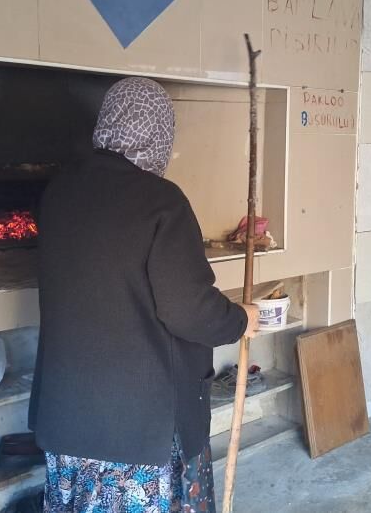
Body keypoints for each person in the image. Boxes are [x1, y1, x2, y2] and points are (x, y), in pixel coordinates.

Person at [29, 77, 260, 512]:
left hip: (67, 418)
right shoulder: (161, 202)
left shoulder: (58, 192)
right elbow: (189, 310)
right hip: (137, 431)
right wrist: (241, 319)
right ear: (158, 134)